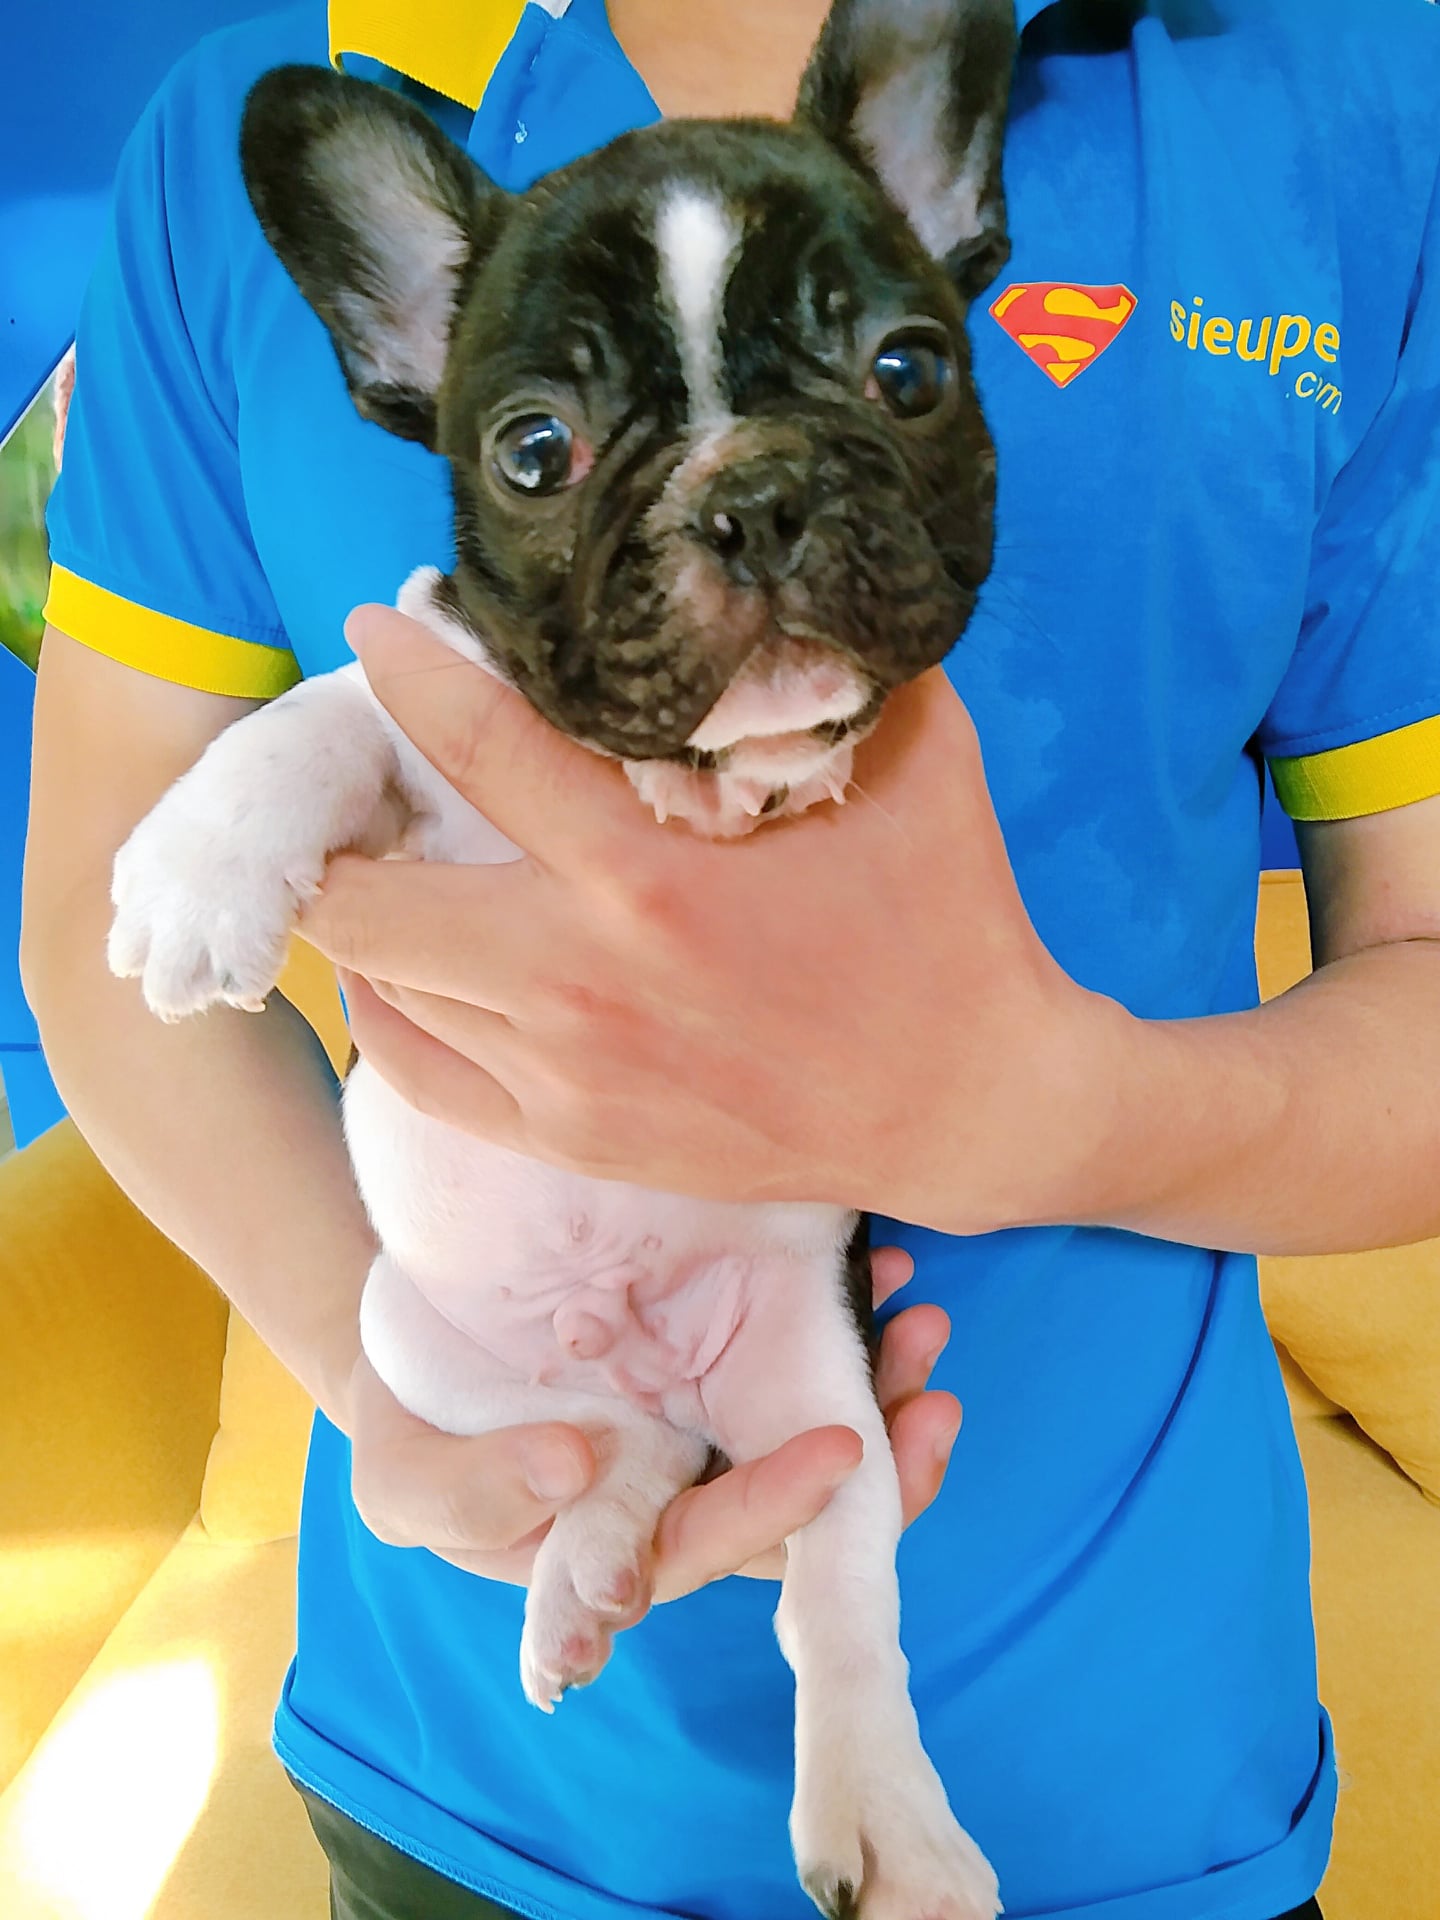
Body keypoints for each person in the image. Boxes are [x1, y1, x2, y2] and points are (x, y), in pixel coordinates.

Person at [20, 0, 1440, 1915]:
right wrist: (398, 1398)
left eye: (895, 371)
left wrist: (1051, 1112)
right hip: (463, 1754)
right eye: (546, 446)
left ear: (954, 215)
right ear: (403, 351)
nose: (742, 513)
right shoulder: (240, 132)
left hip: (1134, 1773)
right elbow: (119, 925)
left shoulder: (1333, 95)